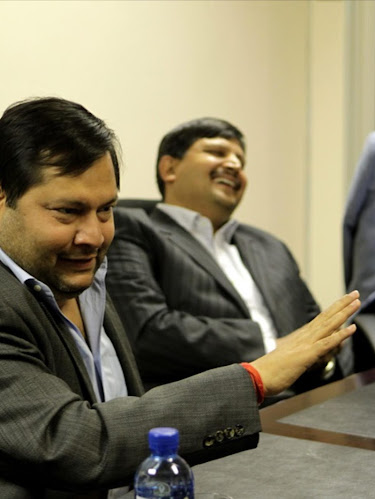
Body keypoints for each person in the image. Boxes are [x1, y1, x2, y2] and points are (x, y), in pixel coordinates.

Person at [0, 97, 359, 498]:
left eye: (106, 210)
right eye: (68, 212)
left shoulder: (77, 274)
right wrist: (256, 378)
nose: (94, 235)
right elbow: (80, 445)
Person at [106, 118, 351, 398]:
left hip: (311, 399)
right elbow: (148, 332)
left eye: (240, 160)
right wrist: (272, 346)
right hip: (216, 408)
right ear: (169, 168)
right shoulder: (130, 227)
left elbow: (313, 326)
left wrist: (324, 354)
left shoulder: (269, 246)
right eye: (218, 153)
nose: (234, 165)